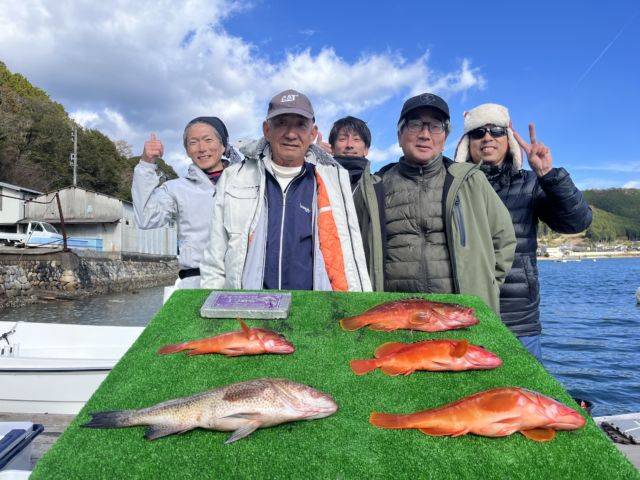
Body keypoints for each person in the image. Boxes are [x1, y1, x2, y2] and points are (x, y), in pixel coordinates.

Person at [454, 103, 592, 360]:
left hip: (519, 320)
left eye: (496, 130)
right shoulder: (453, 189)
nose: (487, 137)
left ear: (508, 139)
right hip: (463, 316)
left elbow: (577, 222)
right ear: (466, 143)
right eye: (478, 132)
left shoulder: (530, 183)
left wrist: (548, 175)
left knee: (525, 385)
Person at [200, 89, 372, 292]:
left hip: (312, 307)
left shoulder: (333, 181)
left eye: (300, 124)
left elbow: (351, 259)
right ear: (267, 130)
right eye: (281, 123)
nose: (291, 134)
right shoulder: (234, 178)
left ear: (313, 133)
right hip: (247, 306)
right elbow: (214, 260)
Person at [375, 93, 516, 315]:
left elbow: (504, 239)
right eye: (415, 125)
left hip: (459, 314)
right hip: (394, 314)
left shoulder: (471, 181)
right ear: (399, 135)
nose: (425, 135)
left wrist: (484, 286)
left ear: (445, 138)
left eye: (435, 126)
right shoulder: (376, 187)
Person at [132, 116, 240, 288]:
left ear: (223, 145)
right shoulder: (176, 188)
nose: (202, 148)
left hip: (242, 281)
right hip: (196, 282)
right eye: (193, 142)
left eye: (208, 140)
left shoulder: (248, 183)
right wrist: (146, 164)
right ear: (187, 150)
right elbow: (146, 218)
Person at [325, 116, 385, 291]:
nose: (349, 145)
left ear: (366, 149)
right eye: (342, 139)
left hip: (368, 276)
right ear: (332, 148)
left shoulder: (379, 186)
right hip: (329, 276)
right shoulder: (320, 183)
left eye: (357, 139)